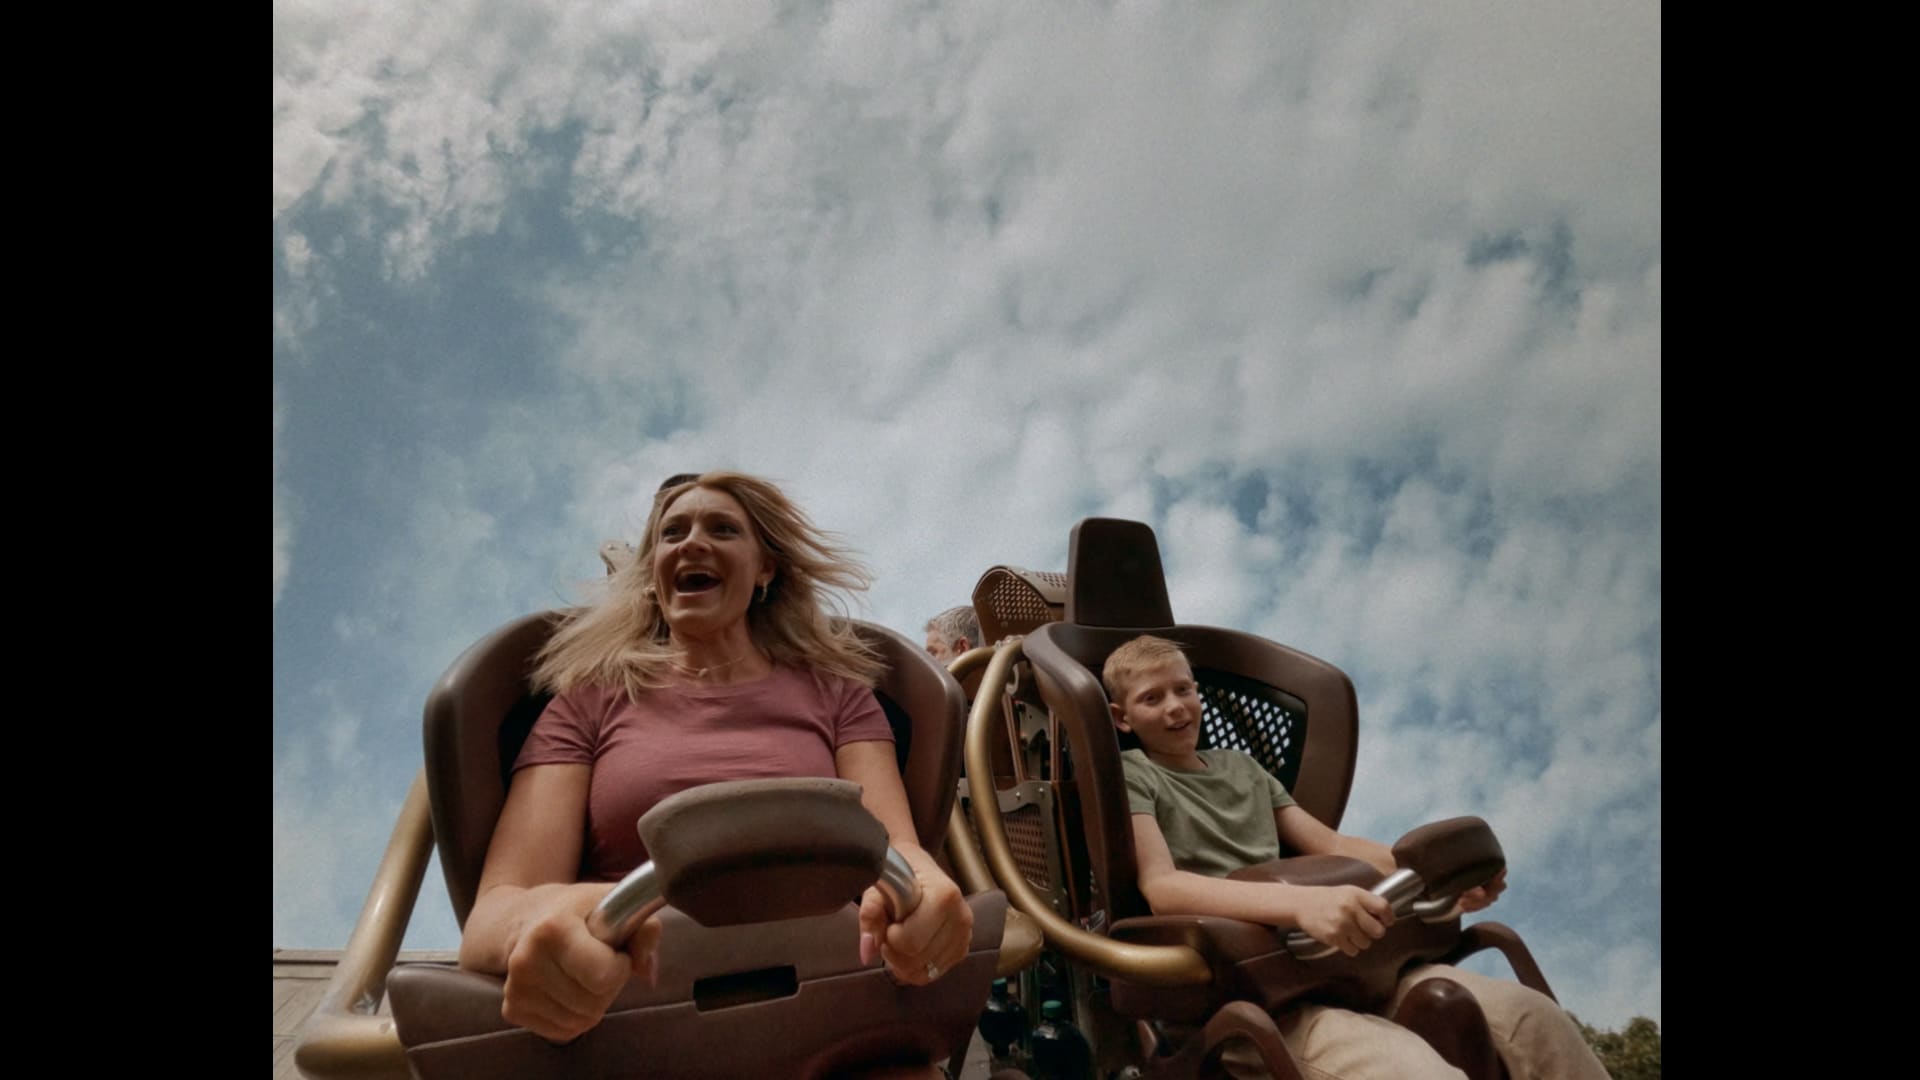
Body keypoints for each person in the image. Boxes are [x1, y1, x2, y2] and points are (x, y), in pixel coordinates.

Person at [458, 470, 974, 1053]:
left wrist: (929, 899)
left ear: (766, 569)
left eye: (722, 529)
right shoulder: (587, 700)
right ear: (653, 575)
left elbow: (897, 847)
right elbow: (496, 911)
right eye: (672, 533)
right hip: (636, 1028)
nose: (691, 543)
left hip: (833, 1022)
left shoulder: (839, 694)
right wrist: (538, 925)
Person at [1108, 635, 1607, 1080]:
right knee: (1416, 1072)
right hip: (1254, 993)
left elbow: (1333, 845)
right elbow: (1163, 887)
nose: (1175, 707)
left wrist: (1437, 877)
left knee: (1534, 1022)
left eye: (1183, 689)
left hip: (1344, 965)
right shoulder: (1136, 774)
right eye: (1152, 698)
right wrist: (1300, 906)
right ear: (1122, 718)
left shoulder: (1241, 768)